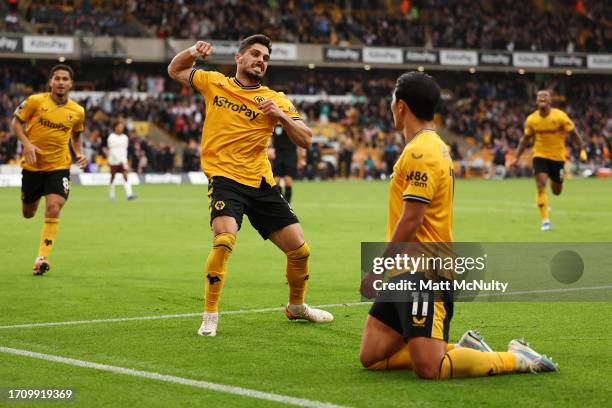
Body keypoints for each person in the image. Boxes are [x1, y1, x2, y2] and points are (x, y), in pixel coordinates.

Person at [359, 72, 558, 379]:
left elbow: (412, 218)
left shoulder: (421, 151)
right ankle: (468, 348)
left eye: (391, 102)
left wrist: (377, 269)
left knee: (430, 368)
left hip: (424, 272)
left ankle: (516, 358)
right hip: (407, 271)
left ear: (400, 106)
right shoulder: (431, 145)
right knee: (372, 357)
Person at [167, 35, 333, 337]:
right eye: (255, 54)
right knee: (225, 238)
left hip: (260, 183)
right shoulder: (214, 82)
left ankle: (297, 307)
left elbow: (306, 139)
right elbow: (175, 70)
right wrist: (193, 51)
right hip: (225, 179)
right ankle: (210, 314)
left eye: (266, 58)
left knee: (300, 250)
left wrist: (281, 117)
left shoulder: (275, 98)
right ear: (239, 58)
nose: (261, 60)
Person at [11, 64, 87, 275]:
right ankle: (31, 205)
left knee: (54, 207)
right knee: (28, 213)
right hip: (33, 166)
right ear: (51, 82)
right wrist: (26, 144)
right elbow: (16, 122)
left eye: (65, 79)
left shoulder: (78, 111)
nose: (61, 82)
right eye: (57, 78)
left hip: (59, 166)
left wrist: (78, 152)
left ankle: (42, 257)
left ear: (71, 84)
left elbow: (77, 134)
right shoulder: (36, 101)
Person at [512, 90, 586, 231]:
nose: (542, 98)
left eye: (545, 96)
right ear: (536, 101)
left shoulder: (560, 116)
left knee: (556, 190)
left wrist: (582, 149)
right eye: (539, 96)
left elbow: (574, 134)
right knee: (540, 185)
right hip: (540, 155)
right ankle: (545, 220)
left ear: (550, 100)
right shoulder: (532, 120)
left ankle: (558, 181)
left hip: (558, 157)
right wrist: (516, 157)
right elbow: (524, 140)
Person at [107, 121, 136, 201]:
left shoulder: (125, 137)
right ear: (115, 127)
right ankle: (112, 195)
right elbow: (112, 150)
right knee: (113, 177)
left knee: (125, 175)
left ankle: (129, 194)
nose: (121, 128)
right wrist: (119, 159)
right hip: (114, 161)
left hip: (123, 161)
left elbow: (125, 149)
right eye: (119, 126)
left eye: (122, 127)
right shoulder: (111, 137)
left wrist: (124, 160)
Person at [271, 124, 297, 203]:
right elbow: (270, 136)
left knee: (288, 180)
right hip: (278, 154)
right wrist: (270, 148)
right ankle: (280, 202)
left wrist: (301, 158)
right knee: (276, 181)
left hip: (290, 153)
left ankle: (288, 204)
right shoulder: (274, 123)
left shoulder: (290, 122)